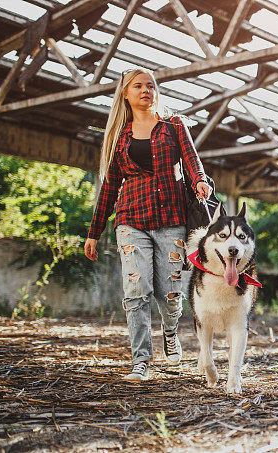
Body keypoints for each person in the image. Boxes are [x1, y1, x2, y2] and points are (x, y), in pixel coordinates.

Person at [84, 69, 211, 381]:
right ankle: (140, 360)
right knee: (137, 288)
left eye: (150, 85)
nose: (145, 90)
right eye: (137, 86)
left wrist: (200, 182)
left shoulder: (174, 126)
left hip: (171, 220)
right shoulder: (119, 137)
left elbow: (193, 161)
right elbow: (109, 187)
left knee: (171, 293)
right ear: (125, 95)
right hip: (130, 220)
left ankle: (170, 332)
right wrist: (94, 232)